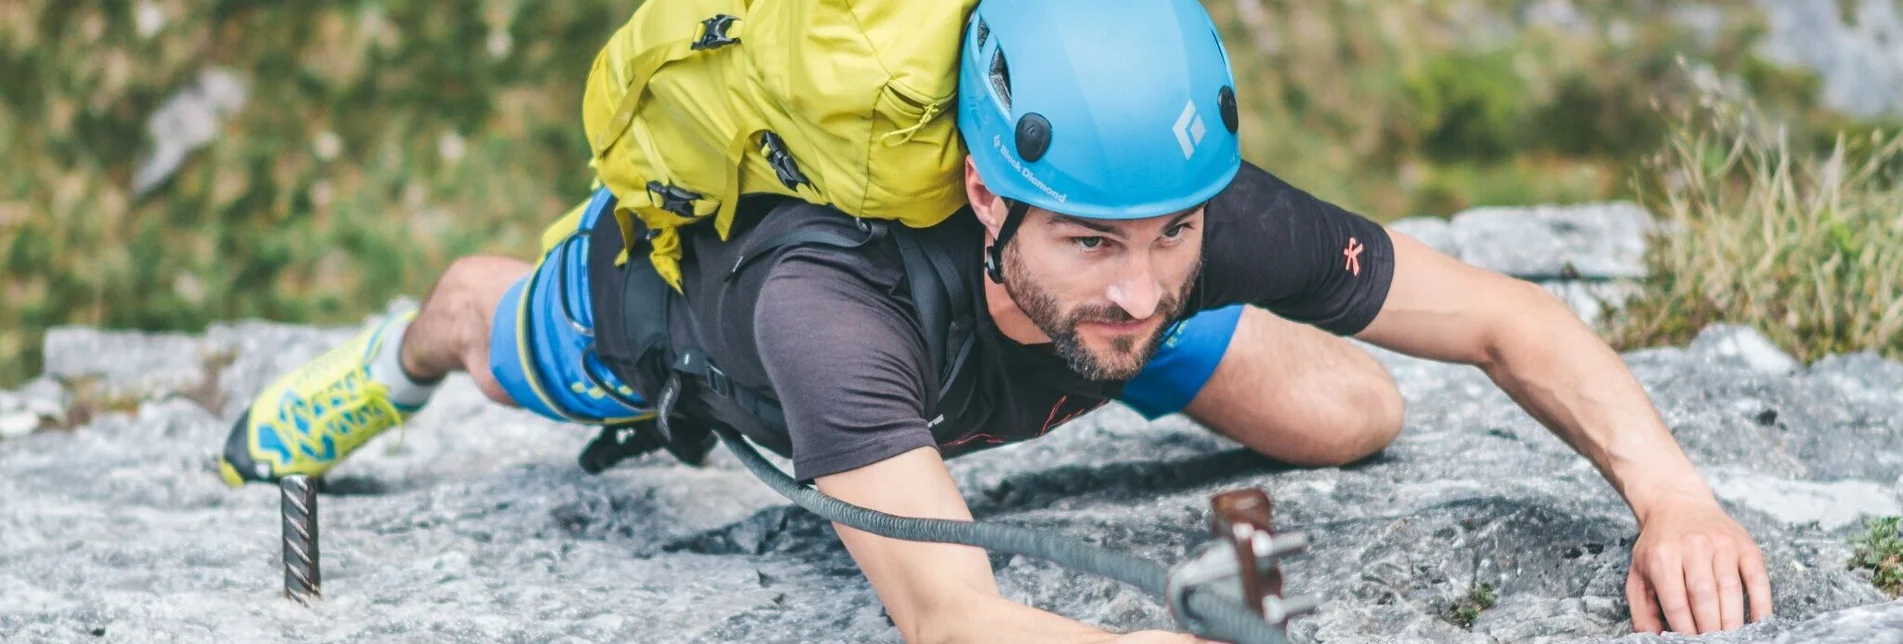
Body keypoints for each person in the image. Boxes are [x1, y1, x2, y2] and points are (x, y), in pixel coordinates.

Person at [212, 0, 1774, 639]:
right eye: (1095, 239)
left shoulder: (1167, 230)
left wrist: (1673, 495)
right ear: (983, 195)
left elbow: (1510, 324)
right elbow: (956, 620)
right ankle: (377, 369)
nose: (1145, 273)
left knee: (1358, 414)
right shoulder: (824, 311)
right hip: (672, 323)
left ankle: (1102, 362)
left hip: (1027, 361)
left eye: (1171, 235)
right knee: (477, 322)